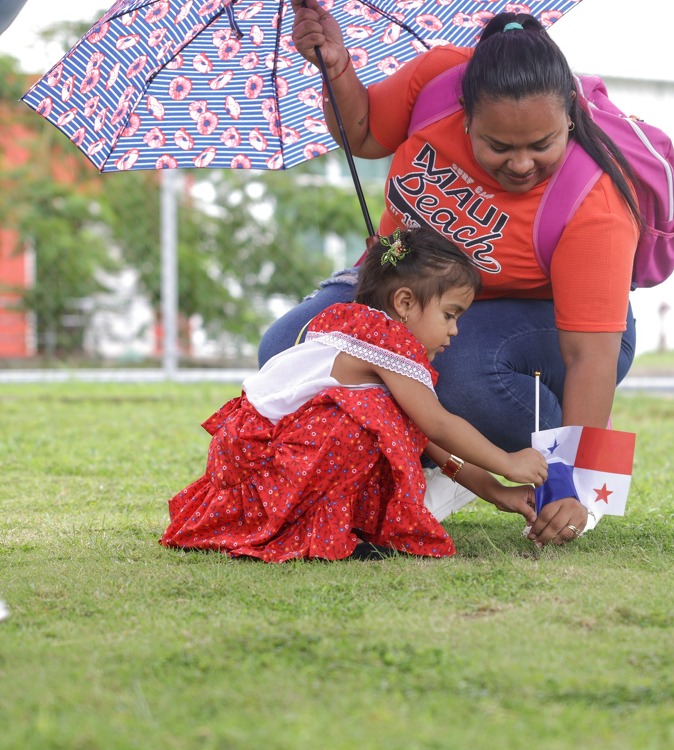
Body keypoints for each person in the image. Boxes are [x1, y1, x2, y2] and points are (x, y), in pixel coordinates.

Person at [260, 3, 644, 546]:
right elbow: (364, 134)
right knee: (290, 351)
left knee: (458, 378)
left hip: (547, 325)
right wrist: (338, 65)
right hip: (411, 286)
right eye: (498, 146)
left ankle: (514, 450)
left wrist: (572, 482)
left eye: (542, 145)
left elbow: (590, 355)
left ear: (570, 120)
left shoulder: (595, 204)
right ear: (466, 116)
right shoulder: (438, 81)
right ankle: (394, 474)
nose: (520, 164)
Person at [161, 226, 548, 562]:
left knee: (383, 419)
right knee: (360, 424)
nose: (455, 331)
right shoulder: (387, 340)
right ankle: (318, 529)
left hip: (248, 456)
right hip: (270, 461)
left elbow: (429, 441)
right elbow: (438, 424)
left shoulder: (352, 324)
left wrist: (497, 492)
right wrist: (508, 463)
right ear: (405, 303)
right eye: (450, 314)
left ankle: (324, 523)